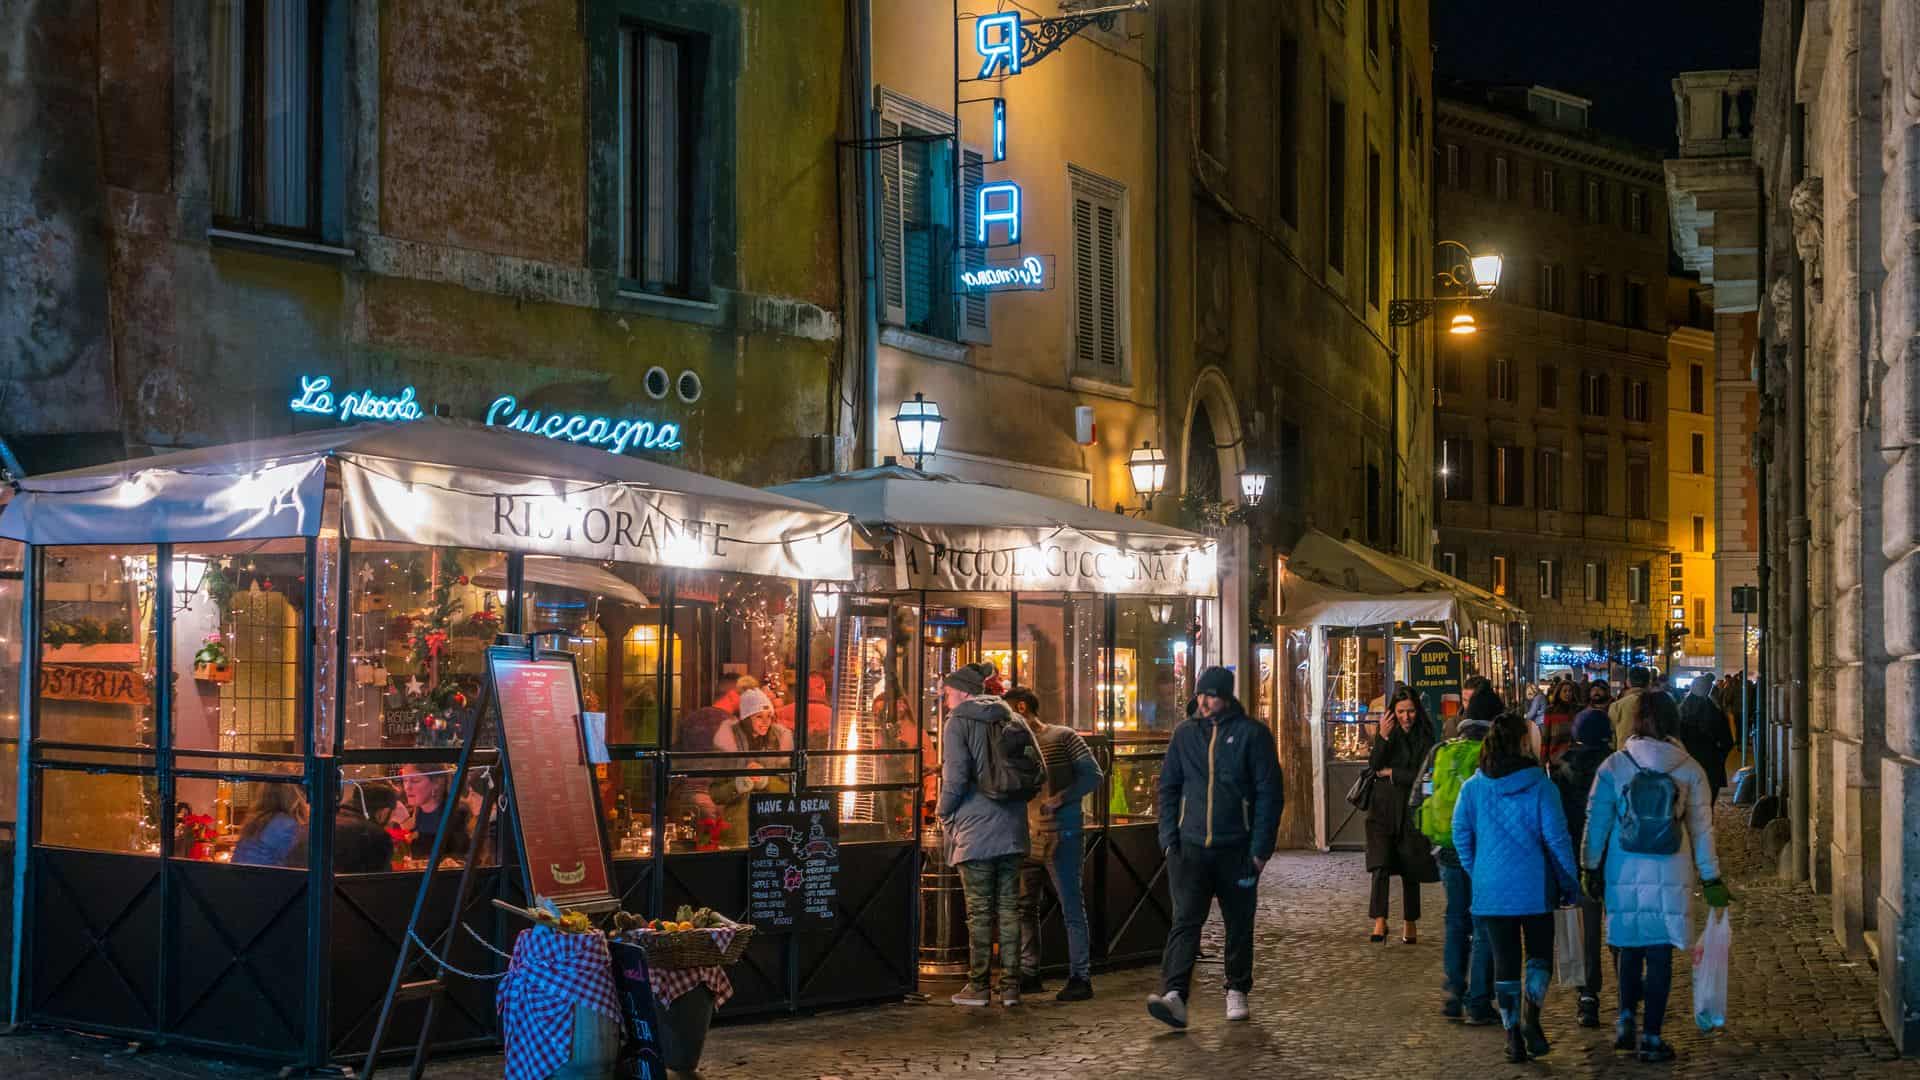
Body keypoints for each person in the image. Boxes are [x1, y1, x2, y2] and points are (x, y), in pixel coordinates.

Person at [1581, 690, 1729, 1063]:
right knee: (1660, 952)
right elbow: (1702, 830)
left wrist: (1590, 865)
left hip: (1623, 867)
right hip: (1671, 867)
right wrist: (1712, 880)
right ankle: (1651, 1037)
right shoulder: (1689, 768)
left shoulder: (1615, 765)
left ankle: (1625, 1019)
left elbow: (1596, 822)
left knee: (1628, 946)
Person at [1147, 666, 1281, 1030]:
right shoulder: (1185, 735)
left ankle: (1237, 987)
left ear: (1227, 696)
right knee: (1185, 920)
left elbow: (1269, 794)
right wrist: (1168, 839)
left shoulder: (1253, 735)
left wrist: (1260, 851)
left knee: (1239, 921)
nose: (1205, 702)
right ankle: (1174, 995)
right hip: (1189, 849)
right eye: (1202, 695)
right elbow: (1169, 788)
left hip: (1237, 849)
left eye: (1213, 695)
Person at [1451, 712, 1581, 1064]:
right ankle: (1532, 1019)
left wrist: (1476, 869)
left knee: (1505, 964)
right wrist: (1571, 882)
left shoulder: (1473, 788)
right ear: (1525, 743)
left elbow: (1459, 834)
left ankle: (1511, 1036)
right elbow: (1557, 840)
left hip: (1491, 890)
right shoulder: (1541, 786)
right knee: (1539, 958)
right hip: (1535, 889)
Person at [936, 662, 1030, 1008]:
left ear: (962, 692)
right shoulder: (1011, 717)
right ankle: (1010, 988)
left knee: (979, 912)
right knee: (1009, 909)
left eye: (947, 692)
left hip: (976, 829)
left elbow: (956, 777)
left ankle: (978, 986)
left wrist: (943, 811)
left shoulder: (958, 721)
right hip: (1013, 828)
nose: (945, 698)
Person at [1411, 682, 1502, 1025]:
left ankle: (1452, 992)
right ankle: (1478, 1000)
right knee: (1483, 924)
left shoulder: (1441, 750)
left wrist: (1434, 838)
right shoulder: (1495, 755)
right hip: (1485, 854)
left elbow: (1418, 797)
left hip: (1447, 849)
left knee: (1455, 919)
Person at [1005, 687, 1102, 1001]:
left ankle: (1080, 976)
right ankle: (1029, 971)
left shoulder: (1063, 737)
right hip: (1027, 834)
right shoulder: (1014, 744)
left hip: (1063, 832)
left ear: (1022, 707)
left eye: (1008, 711)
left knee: (1070, 905)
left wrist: (1060, 799)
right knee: (1024, 906)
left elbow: (1093, 775)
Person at [1550, 707, 1612, 1028]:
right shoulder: (1618, 765)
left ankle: (1587, 996)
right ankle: (1627, 985)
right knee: (1618, 926)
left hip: (1576, 859)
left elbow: (1556, 822)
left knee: (1583, 929)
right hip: (1613, 859)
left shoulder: (1561, 769)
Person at [1365, 688, 1437, 944]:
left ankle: (1410, 921)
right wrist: (1382, 737)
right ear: (1393, 713)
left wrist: (1393, 773)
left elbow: (1425, 776)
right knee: (1380, 864)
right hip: (1383, 809)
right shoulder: (1388, 734)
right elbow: (1374, 767)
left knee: (1411, 867)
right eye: (1401, 711)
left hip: (1411, 809)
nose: (1406, 717)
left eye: (1410, 711)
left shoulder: (1426, 736)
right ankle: (1379, 920)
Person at [292, 780, 400, 873]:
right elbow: (381, 884)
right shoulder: (377, 837)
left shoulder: (322, 820)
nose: (391, 821)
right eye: (392, 815)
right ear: (383, 813)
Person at [1678, 674, 1736, 802]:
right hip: (1711, 765)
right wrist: (1719, 757)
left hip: (1685, 765)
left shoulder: (1681, 710)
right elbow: (1728, 742)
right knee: (1707, 805)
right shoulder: (1715, 712)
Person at [397, 764, 471, 862]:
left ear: (437, 783)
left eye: (415, 781)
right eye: (404, 780)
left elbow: (460, 856)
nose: (407, 787)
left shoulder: (456, 813)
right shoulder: (417, 811)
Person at [231, 784, 308, 867]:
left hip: (239, 876)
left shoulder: (255, 821)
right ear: (294, 795)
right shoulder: (286, 824)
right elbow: (299, 863)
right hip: (262, 877)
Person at [1539, 680, 1581, 768]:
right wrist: (1543, 759)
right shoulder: (1551, 711)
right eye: (1565, 691)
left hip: (1574, 758)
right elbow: (1546, 736)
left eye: (1570, 691)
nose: (1568, 693)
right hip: (1555, 757)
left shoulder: (1578, 710)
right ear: (1559, 693)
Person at [1609, 666, 1651, 749]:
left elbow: (1612, 732)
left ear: (1628, 682)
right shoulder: (1658, 702)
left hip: (1625, 753)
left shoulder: (1617, 705)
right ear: (1649, 682)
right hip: (1652, 754)